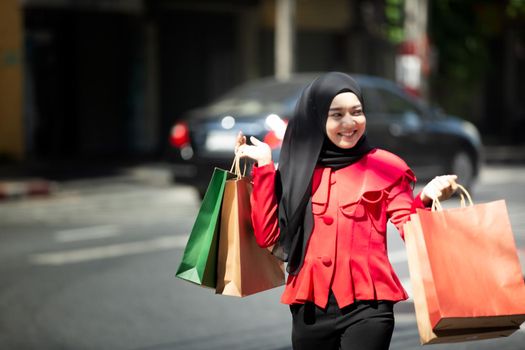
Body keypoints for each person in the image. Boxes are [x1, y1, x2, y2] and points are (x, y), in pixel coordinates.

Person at [235, 72, 457, 350]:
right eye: (336, 115)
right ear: (316, 119)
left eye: (357, 112)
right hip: (309, 308)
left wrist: (425, 198)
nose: (350, 123)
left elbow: (410, 229)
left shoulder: (387, 167)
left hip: (369, 308)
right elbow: (268, 237)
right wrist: (265, 167)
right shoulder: (294, 172)